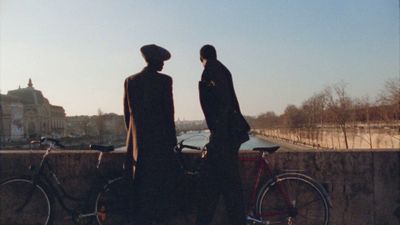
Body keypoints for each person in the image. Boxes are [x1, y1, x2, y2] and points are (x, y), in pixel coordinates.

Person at [124, 44, 179, 225]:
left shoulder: (130, 81)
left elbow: (128, 117)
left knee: (140, 197)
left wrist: (134, 140)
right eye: (162, 62)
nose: (163, 65)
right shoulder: (164, 81)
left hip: (138, 149)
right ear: (155, 61)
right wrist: (172, 142)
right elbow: (168, 115)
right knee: (160, 197)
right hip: (159, 148)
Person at [196, 44, 250, 225]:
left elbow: (220, 108)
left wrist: (216, 139)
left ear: (201, 59)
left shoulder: (209, 71)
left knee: (221, 189)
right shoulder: (223, 70)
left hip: (223, 139)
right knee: (225, 188)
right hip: (228, 136)